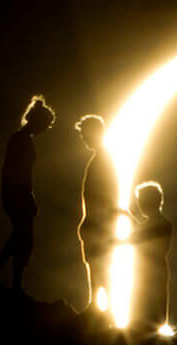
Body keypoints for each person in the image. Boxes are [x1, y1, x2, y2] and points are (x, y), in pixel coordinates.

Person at [0, 95, 56, 296]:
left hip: (17, 194)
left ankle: (6, 278)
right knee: (23, 239)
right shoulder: (21, 140)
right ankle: (8, 280)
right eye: (45, 125)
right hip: (17, 195)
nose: (46, 129)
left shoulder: (21, 139)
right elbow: (16, 172)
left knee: (21, 238)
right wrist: (24, 197)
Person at [75, 115, 119, 312]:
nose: (84, 138)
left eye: (85, 134)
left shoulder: (103, 161)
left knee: (100, 266)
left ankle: (102, 309)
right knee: (96, 265)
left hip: (99, 226)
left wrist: (98, 223)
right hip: (97, 224)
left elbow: (106, 196)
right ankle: (97, 305)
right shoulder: (102, 160)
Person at [125, 181, 173, 331]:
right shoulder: (163, 224)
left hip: (149, 278)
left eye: (141, 201)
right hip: (150, 276)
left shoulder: (161, 225)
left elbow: (137, 238)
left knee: (145, 319)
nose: (139, 205)